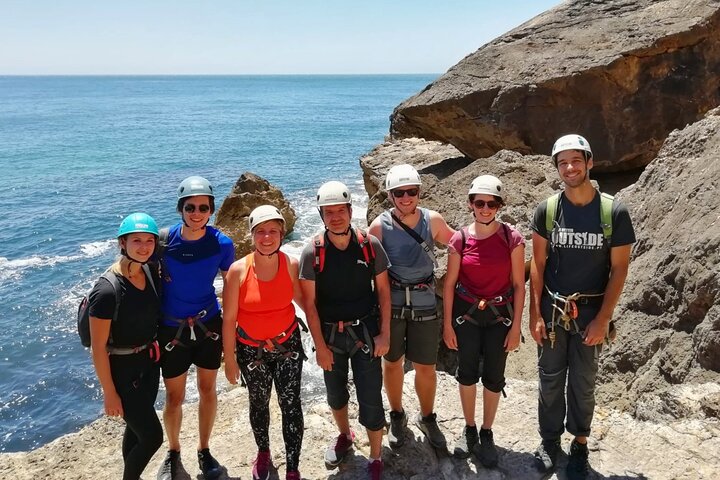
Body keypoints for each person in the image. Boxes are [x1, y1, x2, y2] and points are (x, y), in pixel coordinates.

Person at [529, 134, 635, 479]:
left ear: (590, 162)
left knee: (583, 382)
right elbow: (538, 265)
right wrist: (535, 314)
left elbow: (619, 268)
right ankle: (549, 441)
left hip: (591, 311)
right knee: (549, 379)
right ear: (557, 168)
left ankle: (580, 443)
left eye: (576, 160)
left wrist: (603, 319)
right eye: (563, 163)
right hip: (554, 310)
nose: (570, 168)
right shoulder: (547, 210)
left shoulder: (612, 211)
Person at [298, 181, 391, 480]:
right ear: (321, 215)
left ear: (351, 211)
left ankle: (376, 456)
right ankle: (345, 435)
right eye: (329, 212)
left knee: (371, 397)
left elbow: (384, 293)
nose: (335, 217)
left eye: (341, 211)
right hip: (330, 336)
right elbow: (309, 305)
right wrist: (320, 347)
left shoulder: (369, 245)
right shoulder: (313, 252)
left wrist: (385, 333)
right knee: (336, 395)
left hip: (364, 332)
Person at [367, 164, 454, 450]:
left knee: (425, 367)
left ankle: (427, 417)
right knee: (392, 363)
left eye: (412, 192)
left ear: (419, 192)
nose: (406, 198)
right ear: (390, 195)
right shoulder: (380, 226)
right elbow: (366, 267)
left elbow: (460, 245)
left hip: (424, 302)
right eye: (399, 193)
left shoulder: (434, 221)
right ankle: (396, 414)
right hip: (391, 304)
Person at [442, 175, 525, 468]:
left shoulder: (511, 238)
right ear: (471, 204)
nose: (485, 208)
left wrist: (516, 327)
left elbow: (519, 285)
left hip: (499, 315)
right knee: (466, 372)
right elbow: (449, 284)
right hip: (466, 316)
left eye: (492, 203)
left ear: (499, 206)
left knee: (493, 375)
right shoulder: (460, 239)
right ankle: (469, 428)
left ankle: (487, 432)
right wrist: (447, 325)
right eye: (480, 203)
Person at [156, 176, 235, 480]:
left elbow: (231, 288)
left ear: (211, 210)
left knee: (207, 391)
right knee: (174, 398)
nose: (197, 212)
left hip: (208, 326)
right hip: (171, 328)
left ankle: (204, 449)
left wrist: (232, 338)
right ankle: (173, 452)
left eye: (204, 207)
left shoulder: (222, 244)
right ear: (181, 208)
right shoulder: (163, 242)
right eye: (191, 207)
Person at [222, 205, 305, 480]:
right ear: (252, 235)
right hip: (250, 349)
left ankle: (292, 466)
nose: (267, 237)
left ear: (282, 234)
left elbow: (307, 304)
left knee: (290, 404)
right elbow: (229, 319)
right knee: (258, 403)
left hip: (287, 346)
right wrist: (231, 360)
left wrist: (322, 341)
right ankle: (264, 451)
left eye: (273, 231)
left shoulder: (291, 264)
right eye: (260, 232)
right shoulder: (237, 271)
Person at [89, 213, 163, 480]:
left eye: (149, 241)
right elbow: (97, 347)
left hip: (148, 365)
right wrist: (109, 392)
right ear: (123, 243)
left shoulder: (149, 270)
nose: (144, 246)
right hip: (123, 371)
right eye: (136, 241)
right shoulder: (107, 291)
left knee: (136, 430)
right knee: (153, 436)